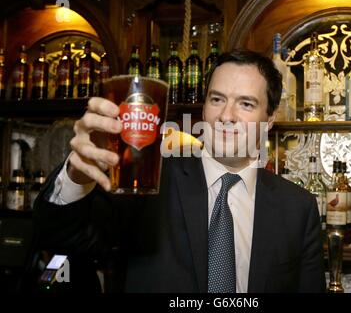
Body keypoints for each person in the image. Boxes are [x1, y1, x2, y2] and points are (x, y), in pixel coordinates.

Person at [34, 49, 325, 293]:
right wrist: (77, 174)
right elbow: (59, 237)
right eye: (217, 99)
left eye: (246, 104)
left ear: (270, 117)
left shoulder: (298, 207)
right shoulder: (149, 181)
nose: (226, 116)